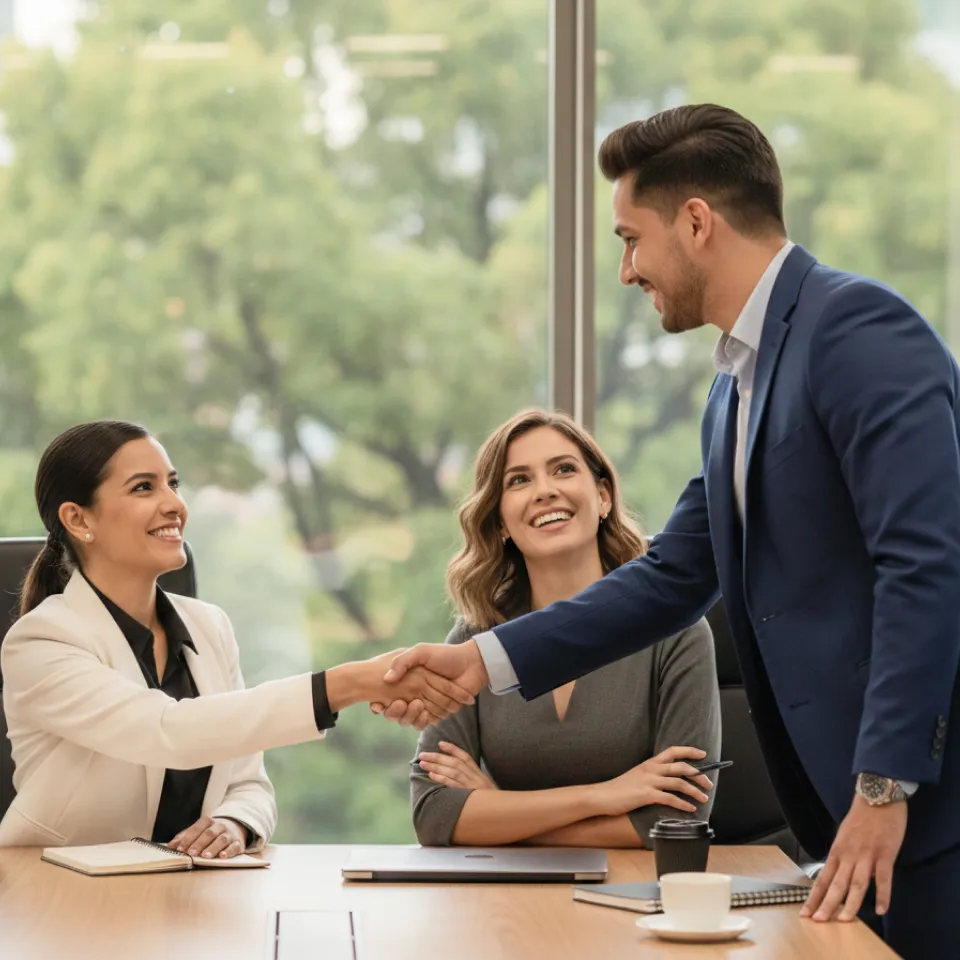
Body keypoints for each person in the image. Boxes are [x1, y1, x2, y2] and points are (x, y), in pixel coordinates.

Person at [383, 104, 960, 959]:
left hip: (923, 815)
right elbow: (668, 578)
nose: (626, 271)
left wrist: (882, 786)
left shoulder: (858, 329)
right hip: (845, 823)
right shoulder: (734, 389)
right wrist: (477, 664)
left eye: (630, 239)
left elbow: (928, 565)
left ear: (696, 223)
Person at [0, 420, 472, 855]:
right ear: (79, 520)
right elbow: (168, 731)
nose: (174, 504)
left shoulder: (209, 627)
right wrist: (350, 683)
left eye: (173, 483)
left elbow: (250, 783)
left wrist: (234, 823)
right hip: (57, 894)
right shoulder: (42, 642)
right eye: (144, 487)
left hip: (186, 896)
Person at [409, 409, 720, 847]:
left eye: (564, 469)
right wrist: (606, 797)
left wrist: (498, 810)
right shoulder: (474, 642)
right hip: (507, 907)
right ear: (499, 523)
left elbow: (674, 819)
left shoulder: (677, 629)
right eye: (518, 480)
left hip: (638, 896)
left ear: (604, 496)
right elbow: (435, 815)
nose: (545, 491)